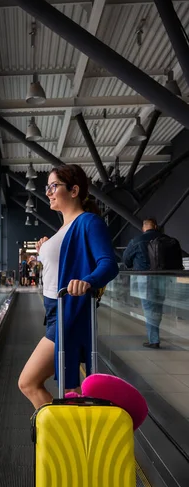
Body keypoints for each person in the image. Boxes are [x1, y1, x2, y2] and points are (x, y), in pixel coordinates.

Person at [18, 164, 119, 410]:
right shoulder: (65, 227)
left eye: (54, 186)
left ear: (74, 191)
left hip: (69, 311)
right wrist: (43, 251)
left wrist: (88, 281)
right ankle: (71, 439)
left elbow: (109, 264)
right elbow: (60, 264)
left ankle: (64, 437)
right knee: (71, 391)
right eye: (47, 187)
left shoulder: (88, 222)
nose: (49, 192)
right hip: (55, 311)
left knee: (28, 382)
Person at [123, 217, 166, 349]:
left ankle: (154, 339)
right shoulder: (165, 239)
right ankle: (155, 334)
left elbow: (126, 260)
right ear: (156, 226)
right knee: (158, 307)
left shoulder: (137, 241)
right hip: (164, 278)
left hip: (145, 278)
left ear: (143, 228)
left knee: (149, 308)